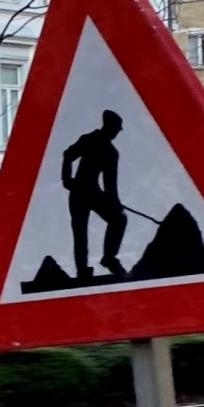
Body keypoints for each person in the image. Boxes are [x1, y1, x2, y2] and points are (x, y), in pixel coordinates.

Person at [62, 109, 130, 280]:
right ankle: (84, 269)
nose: (116, 133)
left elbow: (109, 183)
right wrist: (66, 179)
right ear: (110, 127)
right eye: (116, 129)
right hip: (80, 192)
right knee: (81, 231)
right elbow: (68, 155)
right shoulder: (92, 141)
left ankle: (108, 257)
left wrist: (115, 202)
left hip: (90, 192)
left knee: (118, 220)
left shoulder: (107, 149)